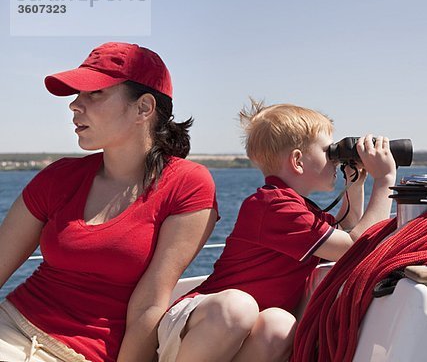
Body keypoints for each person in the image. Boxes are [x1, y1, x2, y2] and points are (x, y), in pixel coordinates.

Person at [0, 42, 219, 362]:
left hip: (82, 354)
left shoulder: (187, 185)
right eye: (77, 95)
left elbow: (149, 305)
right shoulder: (58, 177)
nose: (74, 105)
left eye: (94, 94)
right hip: (11, 327)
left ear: (144, 108)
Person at [157, 99, 397, 362]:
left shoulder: (300, 209)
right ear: (297, 160)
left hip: (236, 333)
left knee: (280, 325)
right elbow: (354, 246)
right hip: (196, 324)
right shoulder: (273, 206)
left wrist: (356, 185)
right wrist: (384, 180)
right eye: (329, 153)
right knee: (239, 306)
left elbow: (347, 232)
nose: (334, 162)